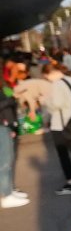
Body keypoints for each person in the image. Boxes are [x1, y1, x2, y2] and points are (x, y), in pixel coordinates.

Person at [41, 62, 71, 196]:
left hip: (61, 124)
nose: (47, 80)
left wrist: (45, 100)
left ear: (49, 74)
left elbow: (56, 104)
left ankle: (70, 183)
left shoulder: (56, 84)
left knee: (63, 154)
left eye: (46, 77)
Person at [1, 70, 29, 209]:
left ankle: (9, 191)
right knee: (4, 162)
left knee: (8, 160)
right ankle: (6, 195)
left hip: (5, 125)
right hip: (2, 126)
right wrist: (11, 99)